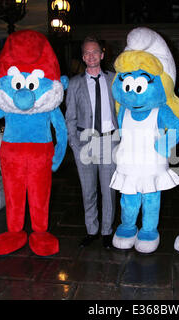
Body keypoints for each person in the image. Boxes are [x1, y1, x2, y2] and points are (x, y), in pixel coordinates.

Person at [65, 36, 118, 249]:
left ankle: (107, 231)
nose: (91, 56)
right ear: (83, 57)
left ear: (102, 55)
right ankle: (91, 230)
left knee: (109, 191)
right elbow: (70, 116)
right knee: (88, 190)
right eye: (87, 53)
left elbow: (122, 110)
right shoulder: (75, 83)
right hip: (84, 143)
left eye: (95, 52)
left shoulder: (115, 80)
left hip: (110, 141)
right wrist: (74, 144)